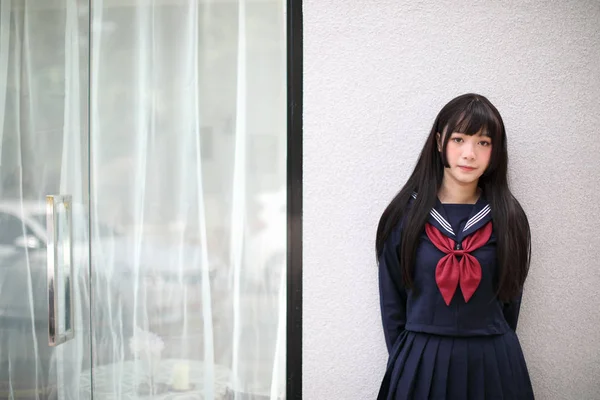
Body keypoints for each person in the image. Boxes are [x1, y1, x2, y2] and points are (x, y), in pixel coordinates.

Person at [376, 93, 534, 399]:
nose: (469, 154)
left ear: (495, 151)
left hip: (494, 364)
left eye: (483, 143)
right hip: (420, 362)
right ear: (439, 142)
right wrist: (409, 362)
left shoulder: (508, 216)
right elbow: (392, 303)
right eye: (459, 139)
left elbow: (511, 301)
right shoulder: (404, 216)